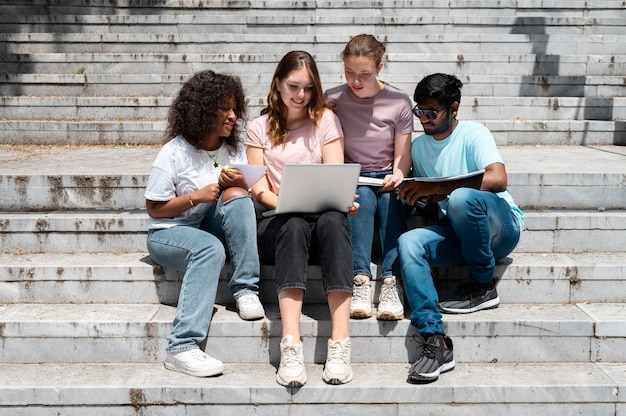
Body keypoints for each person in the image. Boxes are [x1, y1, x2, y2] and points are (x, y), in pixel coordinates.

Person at [396, 73, 524, 383]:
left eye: (432, 112)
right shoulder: (418, 147)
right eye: (419, 112)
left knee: (461, 199)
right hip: (456, 230)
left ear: (454, 108)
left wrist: (441, 192)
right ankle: (434, 338)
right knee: (410, 242)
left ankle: (483, 285)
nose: (424, 119)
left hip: (499, 228)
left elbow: (498, 178)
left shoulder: (474, 133)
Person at [246, 51, 359, 387]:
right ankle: (291, 343)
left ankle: (340, 343)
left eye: (308, 88)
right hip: (277, 223)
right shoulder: (258, 128)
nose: (300, 95)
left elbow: (336, 172)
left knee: (334, 221)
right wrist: (287, 203)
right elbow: (259, 190)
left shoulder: (325, 120)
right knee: (294, 224)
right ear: (277, 84)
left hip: (322, 225)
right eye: (293, 86)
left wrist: (341, 199)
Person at [145, 70, 265, 377]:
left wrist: (242, 183)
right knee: (210, 249)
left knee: (238, 194)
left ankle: (246, 289)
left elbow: (250, 196)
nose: (232, 115)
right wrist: (195, 197)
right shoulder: (173, 152)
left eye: (235, 108)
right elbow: (155, 209)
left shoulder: (235, 149)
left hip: (210, 226)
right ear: (202, 109)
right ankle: (181, 346)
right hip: (169, 233)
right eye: (224, 108)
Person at [325, 34, 414, 321]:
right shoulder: (333, 99)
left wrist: (398, 173)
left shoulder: (398, 100)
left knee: (391, 197)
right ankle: (360, 280)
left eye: (364, 74)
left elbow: (403, 154)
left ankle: (391, 282)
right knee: (361, 196)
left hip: (388, 174)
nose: (356, 81)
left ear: (379, 67)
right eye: (349, 73)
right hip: (353, 174)